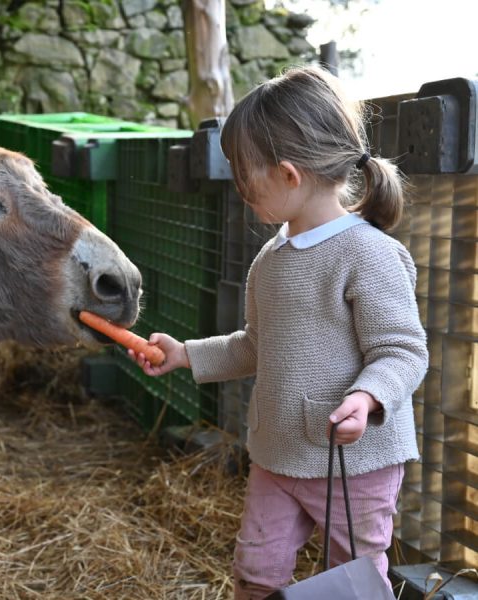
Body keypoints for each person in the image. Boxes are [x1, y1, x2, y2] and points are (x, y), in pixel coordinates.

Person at [129, 66, 428, 599]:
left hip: (354, 464)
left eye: (246, 178)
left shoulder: (369, 254)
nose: (241, 190)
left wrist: (366, 396)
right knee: (256, 569)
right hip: (277, 453)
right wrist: (186, 356)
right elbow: (253, 345)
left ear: (290, 175)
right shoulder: (272, 258)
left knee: (354, 575)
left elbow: (402, 351)